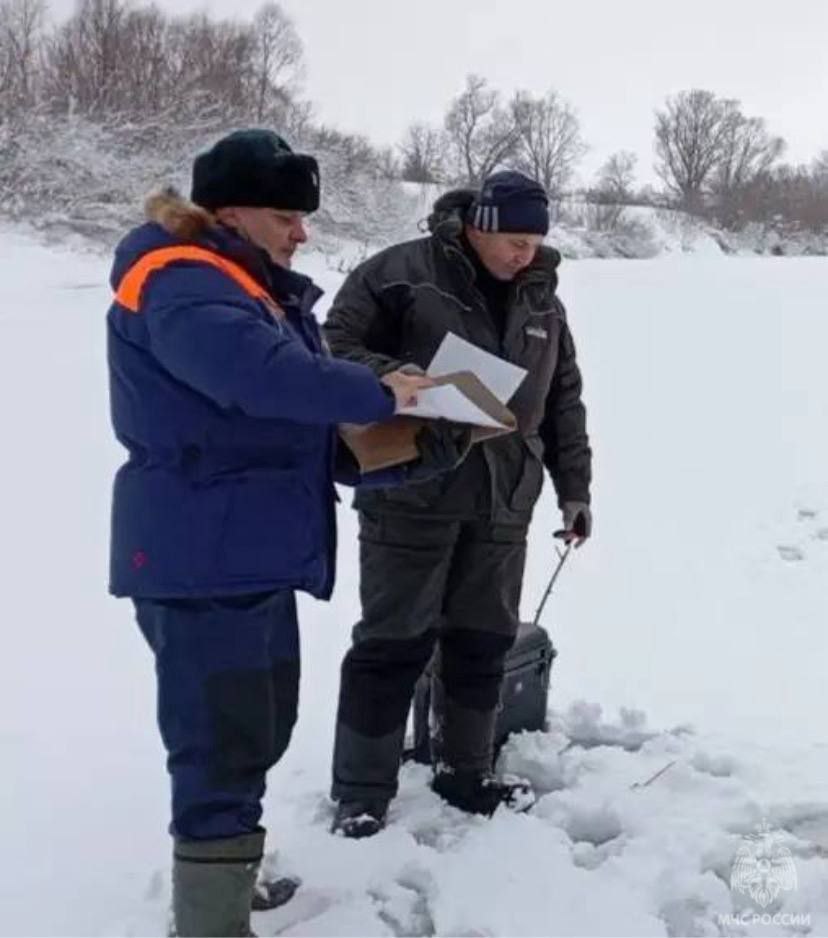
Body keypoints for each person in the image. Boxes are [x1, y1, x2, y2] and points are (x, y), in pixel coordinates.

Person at [105, 129, 458, 937]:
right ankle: (208, 921)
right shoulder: (178, 278)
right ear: (228, 211)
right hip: (201, 557)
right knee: (219, 746)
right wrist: (383, 392)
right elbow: (260, 379)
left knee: (259, 728)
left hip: (249, 551)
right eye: (285, 215)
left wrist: (409, 453)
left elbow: (289, 430)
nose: (303, 232)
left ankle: (233, 875)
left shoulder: (245, 286)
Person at [323, 169, 593, 837]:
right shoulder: (399, 273)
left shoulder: (543, 302)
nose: (523, 254)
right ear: (477, 227)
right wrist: (395, 377)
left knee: (483, 641)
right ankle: (361, 796)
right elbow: (333, 349)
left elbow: (563, 402)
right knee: (392, 643)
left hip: (504, 495)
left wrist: (575, 490)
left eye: (535, 241)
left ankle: (466, 772)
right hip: (412, 489)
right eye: (513, 240)